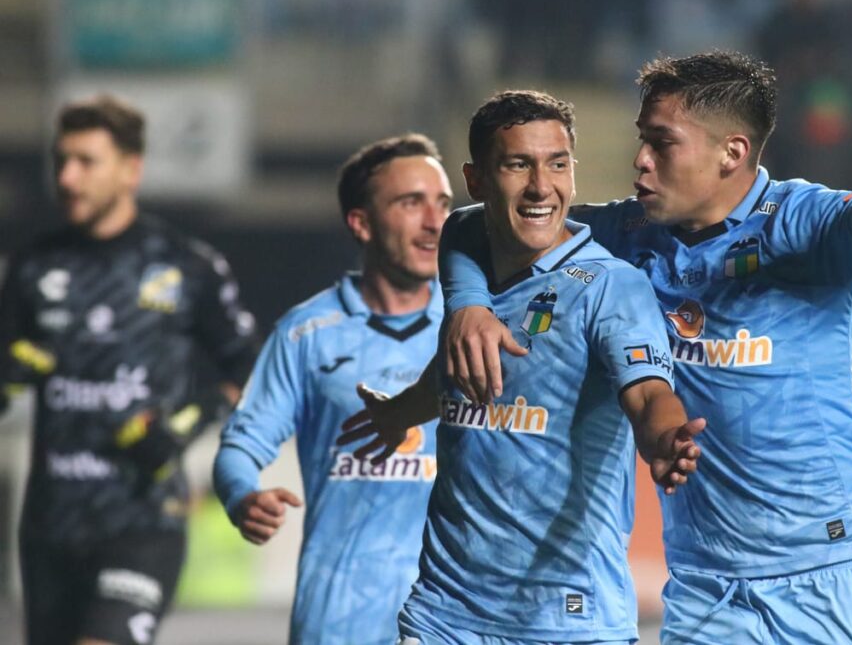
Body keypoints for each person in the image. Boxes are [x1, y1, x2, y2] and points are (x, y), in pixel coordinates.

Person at [438, 49, 852, 644]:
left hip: (829, 567)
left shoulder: (803, 226)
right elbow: (475, 222)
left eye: (662, 143)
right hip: (707, 584)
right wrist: (467, 303)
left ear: (731, 152)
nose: (640, 161)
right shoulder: (626, 234)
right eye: (642, 139)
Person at [341, 90, 705, 644]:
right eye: (518, 164)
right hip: (445, 615)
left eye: (557, 164)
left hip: (569, 619)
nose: (542, 186)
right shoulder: (469, 258)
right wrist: (399, 413)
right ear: (477, 179)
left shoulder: (610, 287)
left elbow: (649, 393)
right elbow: (455, 380)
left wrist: (665, 439)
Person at [0, 95, 258, 645]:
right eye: (61, 161)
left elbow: (250, 369)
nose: (67, 178)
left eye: (86, 162)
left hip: (142, 520)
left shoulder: (185, 266)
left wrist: (184, 426)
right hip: (50, 525)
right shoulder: (32, 266)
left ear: (130, 170)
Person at [212, 133, 453, 645]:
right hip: (339, 619)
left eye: (443, 203)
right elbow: (241, 443)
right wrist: (242, 494)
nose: (435, 222)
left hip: (455, 616)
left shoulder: (474, 325)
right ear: (360, 224)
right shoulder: (306, 332)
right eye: (411, 203)